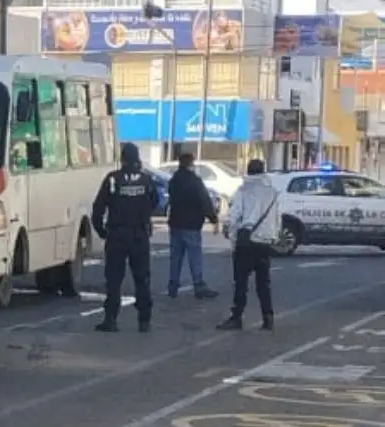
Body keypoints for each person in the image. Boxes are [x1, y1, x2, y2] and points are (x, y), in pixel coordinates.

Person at [92, 142, 159, 333]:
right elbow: (155, 202)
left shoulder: (113, 179)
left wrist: (101, 231)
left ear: (122, 158)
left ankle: (111, 319)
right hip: (139, 234)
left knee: (114, 279)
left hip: (117, 235)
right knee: (142, 278)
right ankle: (144, 321)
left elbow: (98, 208)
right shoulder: (146, 180)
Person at [218, 158, 280, 332]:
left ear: (248, 171)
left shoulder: (243, 191)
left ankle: (237, 317)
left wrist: (233, 240)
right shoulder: (272, 193)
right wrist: (273, 237)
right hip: (264, 242)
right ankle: (268, 318)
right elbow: (276, 218)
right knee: (263, 283)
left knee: (241, 282)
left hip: (246, 242)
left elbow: (234, 217)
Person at [165, 152, 219, 300]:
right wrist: (213, 218)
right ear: (191, 164)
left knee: (175, 257)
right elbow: (204, 201)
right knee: (194, 257)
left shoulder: (173, 181)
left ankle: (172, 286)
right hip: (192, 225)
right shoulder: (195, 181)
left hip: (175, 223)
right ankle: (199, 286)